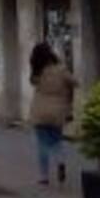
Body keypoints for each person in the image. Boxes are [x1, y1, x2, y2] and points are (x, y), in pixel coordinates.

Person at [29, 42, 77, 186]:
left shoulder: (37, 73)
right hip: (58, 110)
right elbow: (75, 82)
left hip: (40, 110)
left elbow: (33, 83)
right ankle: (60, 160)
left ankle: (44, 177)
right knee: (56, 140)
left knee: (42, 144)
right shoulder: (61, 70)